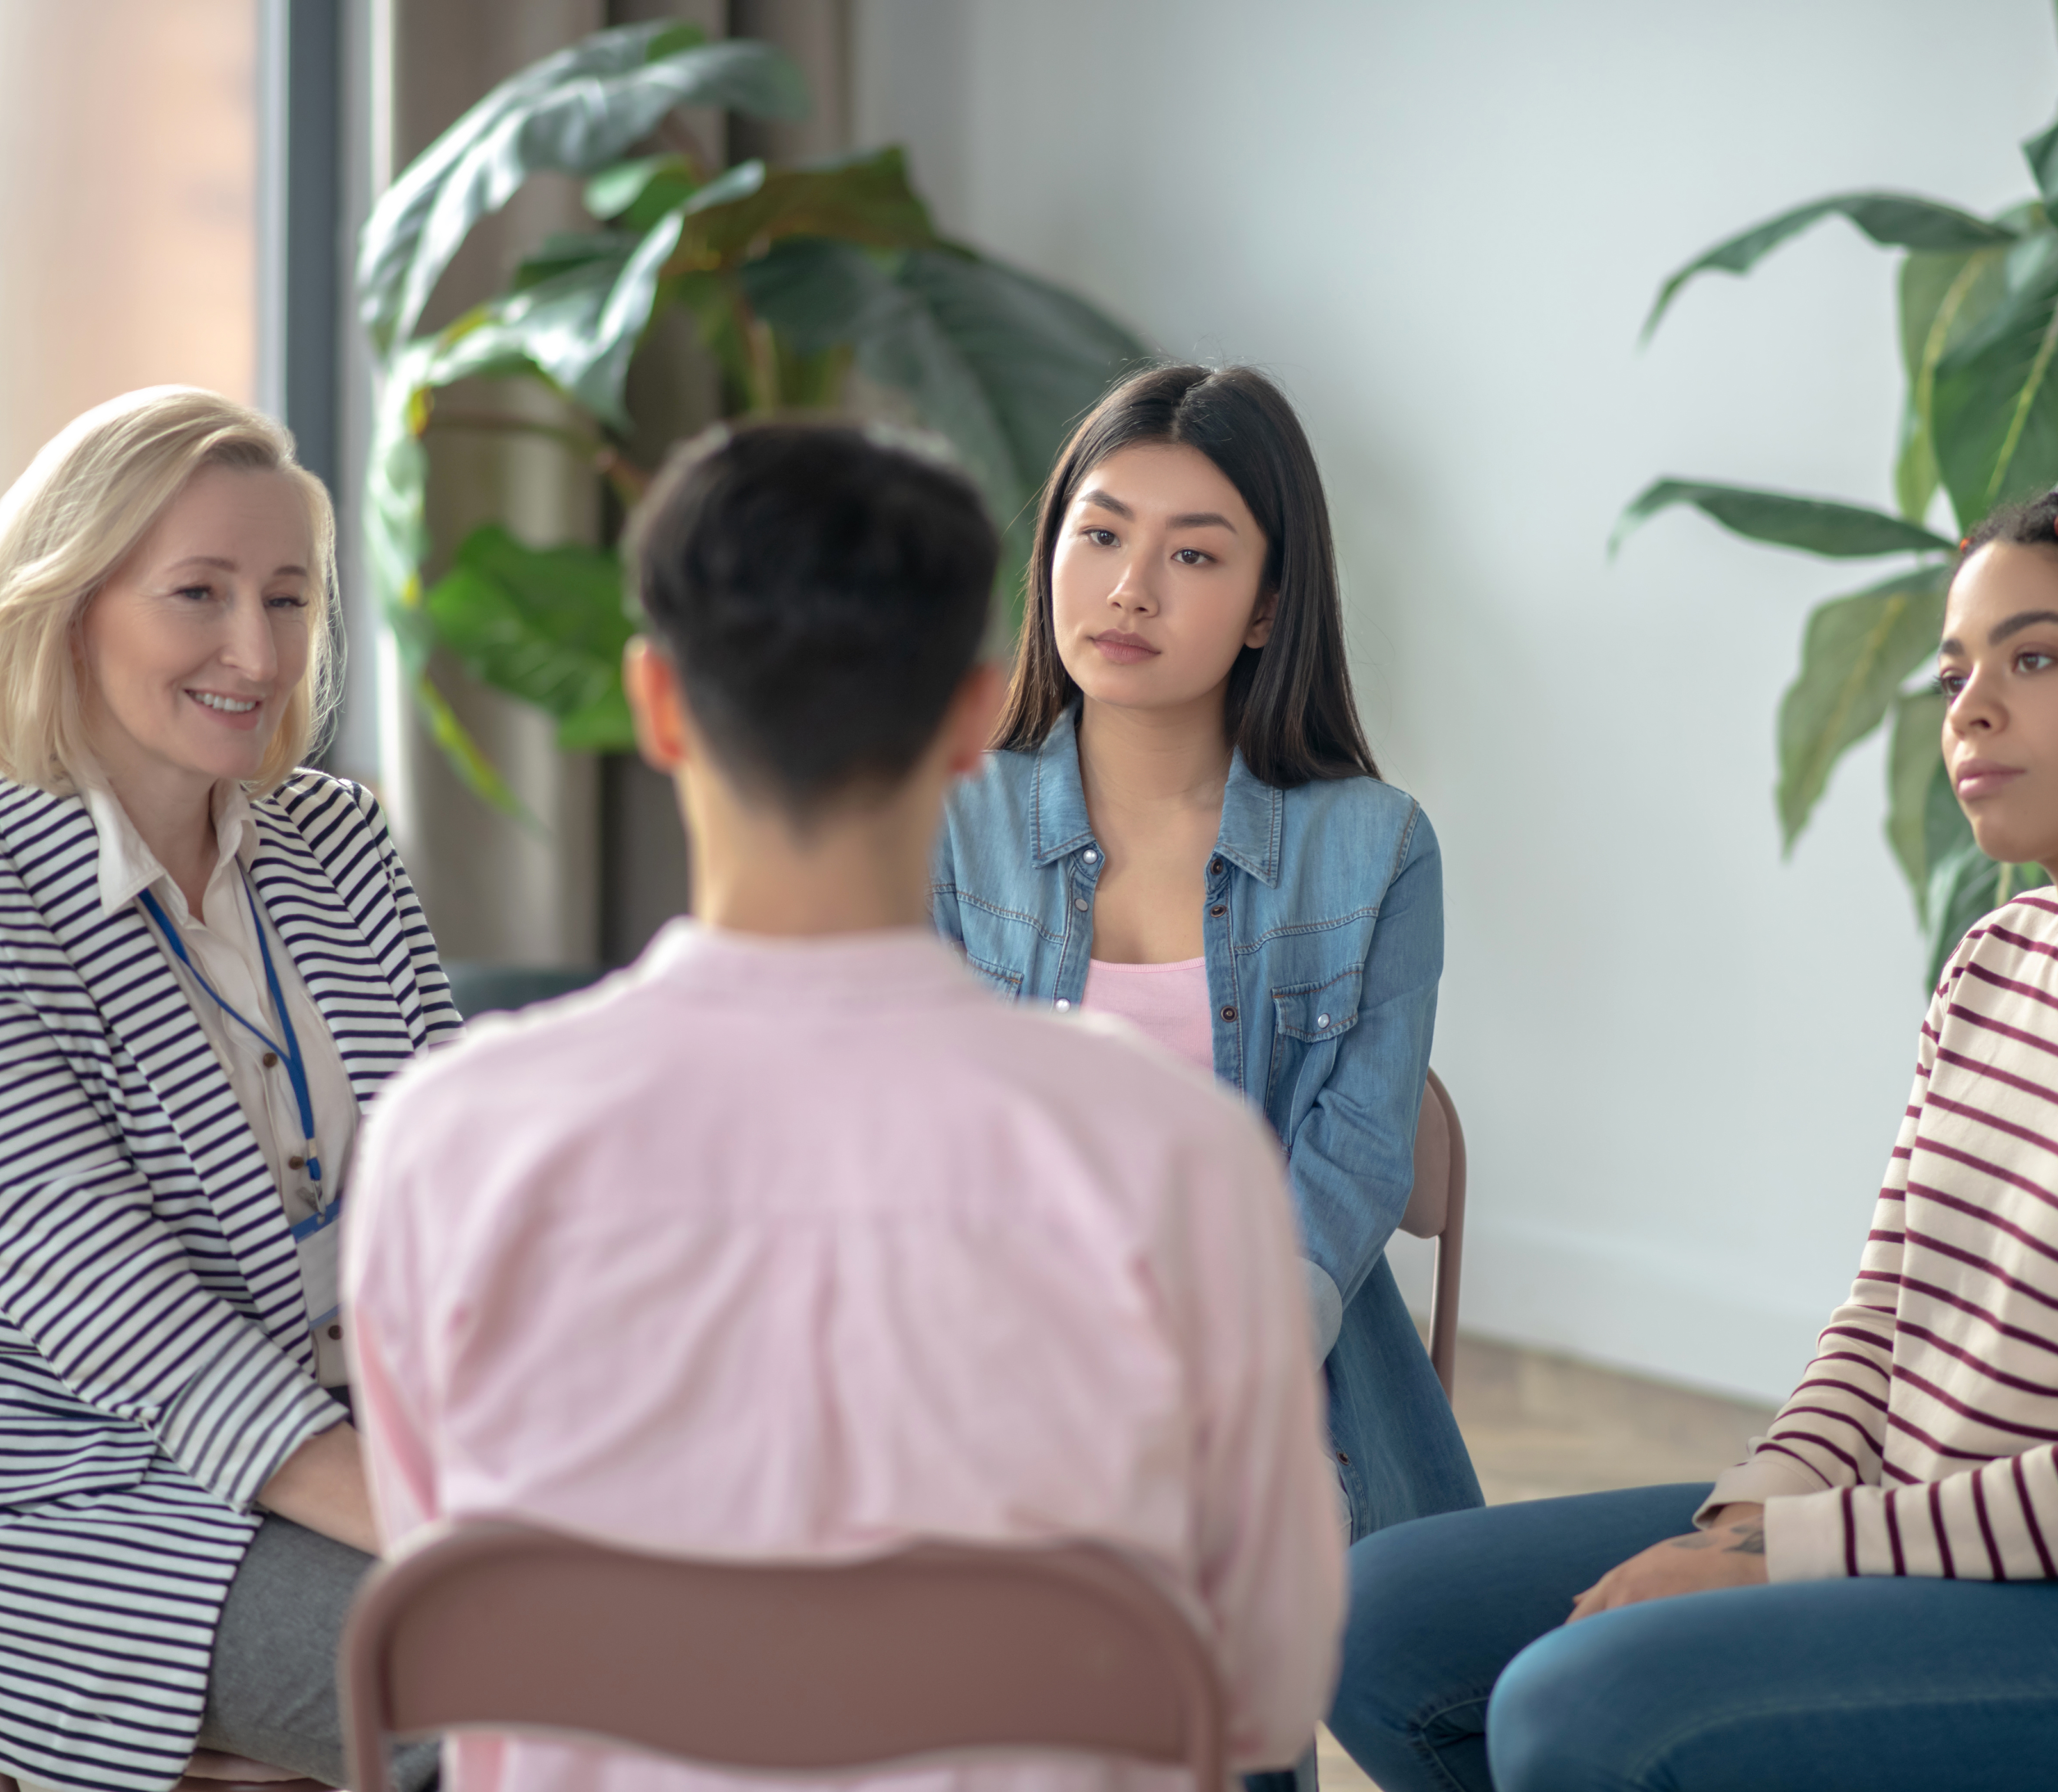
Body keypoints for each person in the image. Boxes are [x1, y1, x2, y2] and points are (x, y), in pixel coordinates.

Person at [1327, 488, 2058, 1792]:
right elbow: (1884, 1316)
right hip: (1939, 1536)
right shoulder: (1998, 965)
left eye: (2035, 658)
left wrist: (1784, 1560)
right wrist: (1751, 1514)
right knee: (1377, 1623)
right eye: (1957, 673)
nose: (1971, 709)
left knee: (1584, 1712)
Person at [345, 421, 1345, 1792]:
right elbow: (1267, 1680)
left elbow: (451, 1587)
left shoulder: (451, 1139)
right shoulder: (1169, 1152)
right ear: (966, 720)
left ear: (657, 703)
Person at [0, 388, 457, 1792]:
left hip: (375, 1421)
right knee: (533, 1685)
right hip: (86, 1511)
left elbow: (465, 1181)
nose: (258, 649)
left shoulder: (338, 844)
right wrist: (453, 1516)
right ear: (68, 607)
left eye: (290, 599)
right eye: (199, 595)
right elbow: (143, 1344)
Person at [929, 364, 1482, 1548]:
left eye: (1194, 556)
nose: (1131, 589)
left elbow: (1360, 1160)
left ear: (1270, 608)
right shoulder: (948, 817)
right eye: (1102, 535)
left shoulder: (1377, 851)